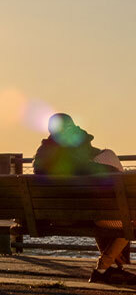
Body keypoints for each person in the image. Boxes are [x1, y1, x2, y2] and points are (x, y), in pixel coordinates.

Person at [33, 113, 134, 285]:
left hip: (57, 214)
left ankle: (113, 269)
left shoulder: (43, 154)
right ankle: (103, 270)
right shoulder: (69, 156)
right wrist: (115, 172)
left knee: (111, 213)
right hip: (77, 215)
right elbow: (91, 169)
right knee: (128, 221)